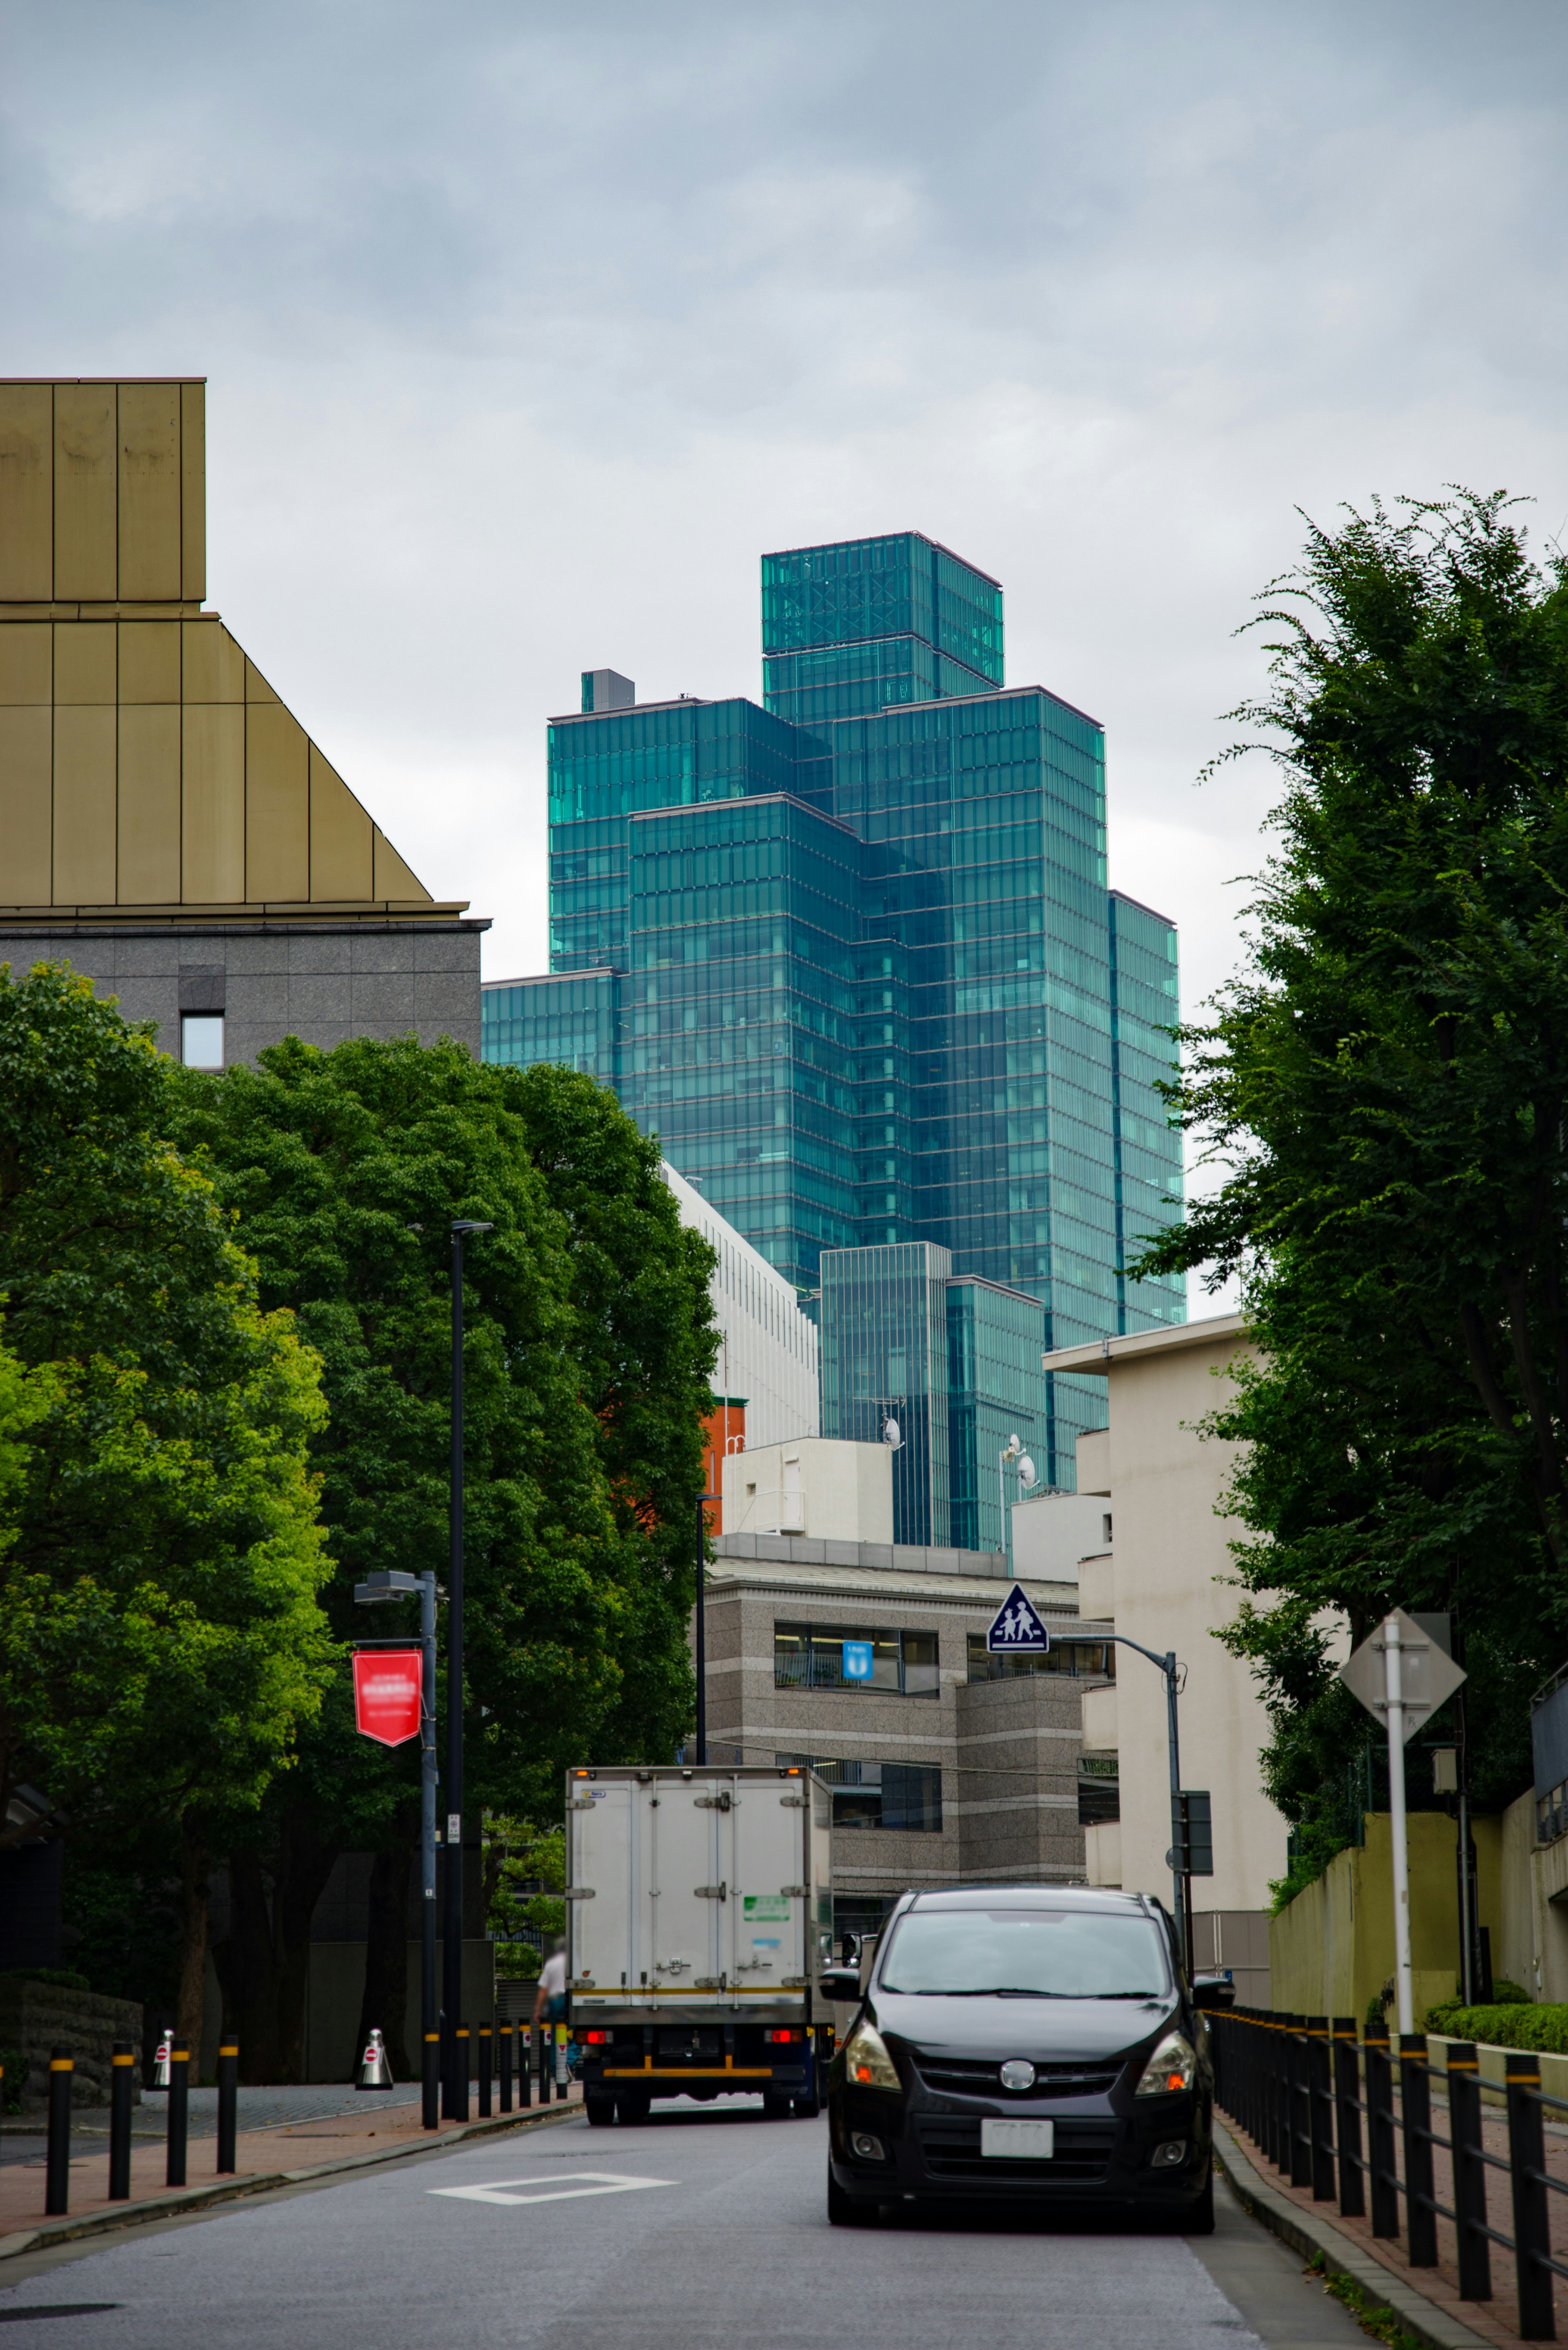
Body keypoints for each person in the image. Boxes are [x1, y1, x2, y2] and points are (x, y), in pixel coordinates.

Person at [534, 1938, 569, 2086]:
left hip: (554, 2001)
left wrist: (538, 2009)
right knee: (576, 2037)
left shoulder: (552, 1964)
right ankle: (569, 2063)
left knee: (555, 2037)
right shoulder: (573, 1963)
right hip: (569, 2000)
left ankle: (558, 2071)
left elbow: (543, 1989)